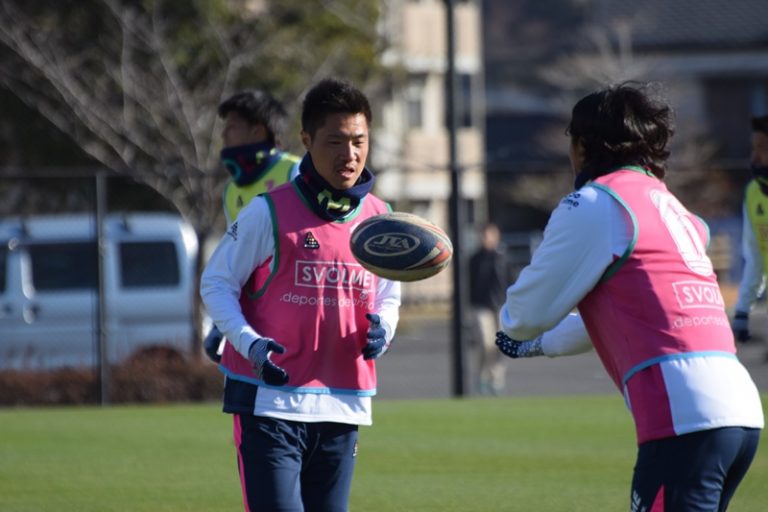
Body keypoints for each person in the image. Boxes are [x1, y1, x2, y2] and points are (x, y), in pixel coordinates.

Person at [494, 82, 763, 511]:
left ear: (582, 146)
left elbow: (524, 315)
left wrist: (516, 332)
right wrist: (539, 344)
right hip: (739, 409)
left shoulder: (595, 203)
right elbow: (619, 317)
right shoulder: (674, 208)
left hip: (683, 413)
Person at [200, 78, 401, 512]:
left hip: (343, 403)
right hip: (268, 401)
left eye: (359, 141)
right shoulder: (267, 210)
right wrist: (247, 342)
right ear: (307, 140)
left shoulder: (380, 219)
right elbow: (216, 282)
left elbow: (388, 294)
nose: (350, 154)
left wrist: (384, 329)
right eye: (335, 141)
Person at [203, 89, 301, 362]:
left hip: (296, 317)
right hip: (254, 326)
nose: (224, 135)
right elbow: (236, 264)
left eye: (232, 127)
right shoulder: (231, 191)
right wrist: (219, 325)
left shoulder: (296, 173)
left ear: (258, 132)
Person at [732, 114, 768, 343]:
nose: (755, 156)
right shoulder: (753, 192)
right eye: (754, 148)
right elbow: (755, 257)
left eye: (763, 148)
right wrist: (742, 311)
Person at [468, 222, 507, 395]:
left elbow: (510, 281)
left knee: (500, 346)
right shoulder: (475, 259)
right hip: (481, 306)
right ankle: (482, 377)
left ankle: (496, 380)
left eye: (490, 235)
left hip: (501, 307)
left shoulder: (502, 258)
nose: (487, 238)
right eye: (484, 235)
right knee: (485, 343)